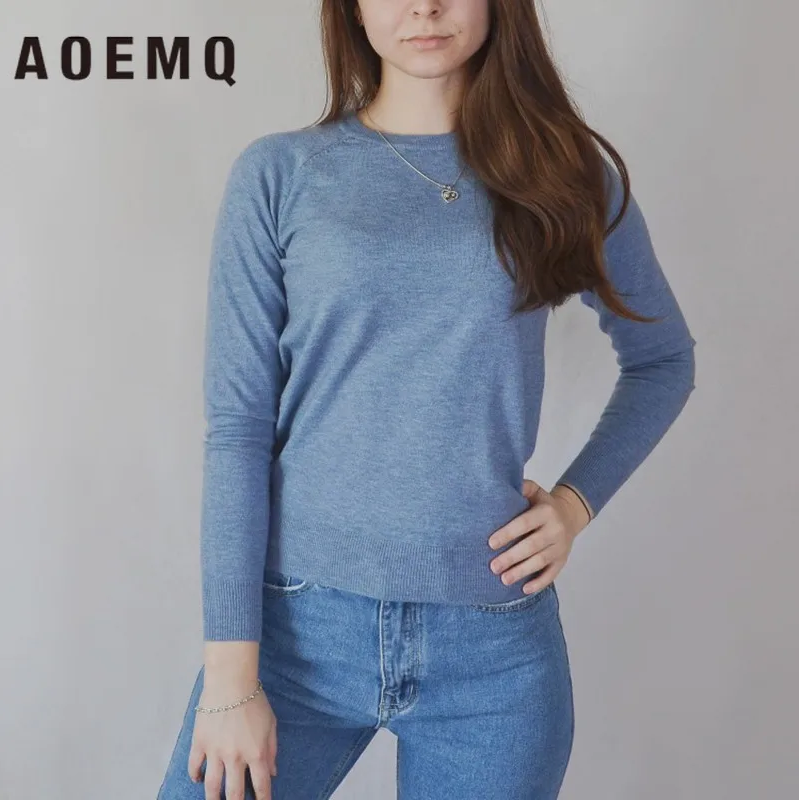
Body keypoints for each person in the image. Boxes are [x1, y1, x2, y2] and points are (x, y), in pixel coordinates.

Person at [157, 1, 697, 798]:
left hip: (492, 653)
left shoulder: (565, 175)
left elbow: (663, 359)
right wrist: (231, 679)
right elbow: (239, 428)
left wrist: (574, 504)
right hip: (297, 633)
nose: (424, 6)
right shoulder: (281, 173)